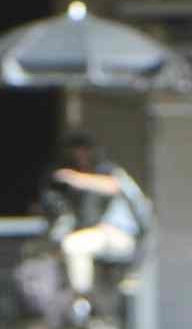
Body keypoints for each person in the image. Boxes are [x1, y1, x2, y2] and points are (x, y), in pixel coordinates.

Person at [44, 133, 150, 313]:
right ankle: (89, 305)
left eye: (83, 151)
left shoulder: (108, 170)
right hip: (102, 248)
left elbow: (112, 186)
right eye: (75, 153)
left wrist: (75, 178)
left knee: (74, 244)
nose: (80, 157)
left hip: (125, 239)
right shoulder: (77, 189)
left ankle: (82, 300)